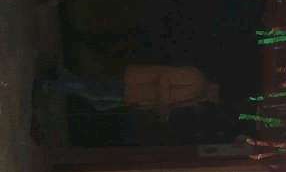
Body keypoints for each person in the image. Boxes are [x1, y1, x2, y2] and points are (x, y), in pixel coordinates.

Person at [34, 64, 220, 120]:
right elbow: (164, 77)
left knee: (99, 102)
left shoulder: (197, 96)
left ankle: (61, 75)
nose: (212, 99)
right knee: (95, 93)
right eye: (215, 96)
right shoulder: (195, 77)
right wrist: (163, 105)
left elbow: (169, 101)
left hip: (134, 96)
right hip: (133, 84)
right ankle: (51, 84)